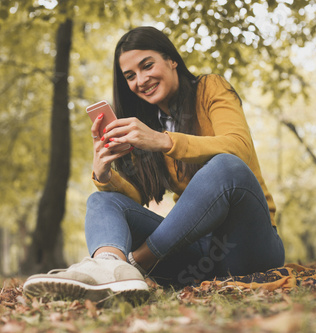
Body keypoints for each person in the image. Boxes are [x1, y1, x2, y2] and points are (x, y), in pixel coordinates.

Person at [23, 26, 285, 301]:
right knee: (101, 201)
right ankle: (108, 266)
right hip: (196, 257)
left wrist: (162, 141)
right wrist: (104, 173)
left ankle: (133, 265)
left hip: (246, 246)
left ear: (172, 60)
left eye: (147, 66)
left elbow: (239, 148)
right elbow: (137, 196)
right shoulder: (148, 125)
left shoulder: (210, 88)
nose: (141, 80)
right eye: (130, 76)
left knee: (225, 166)